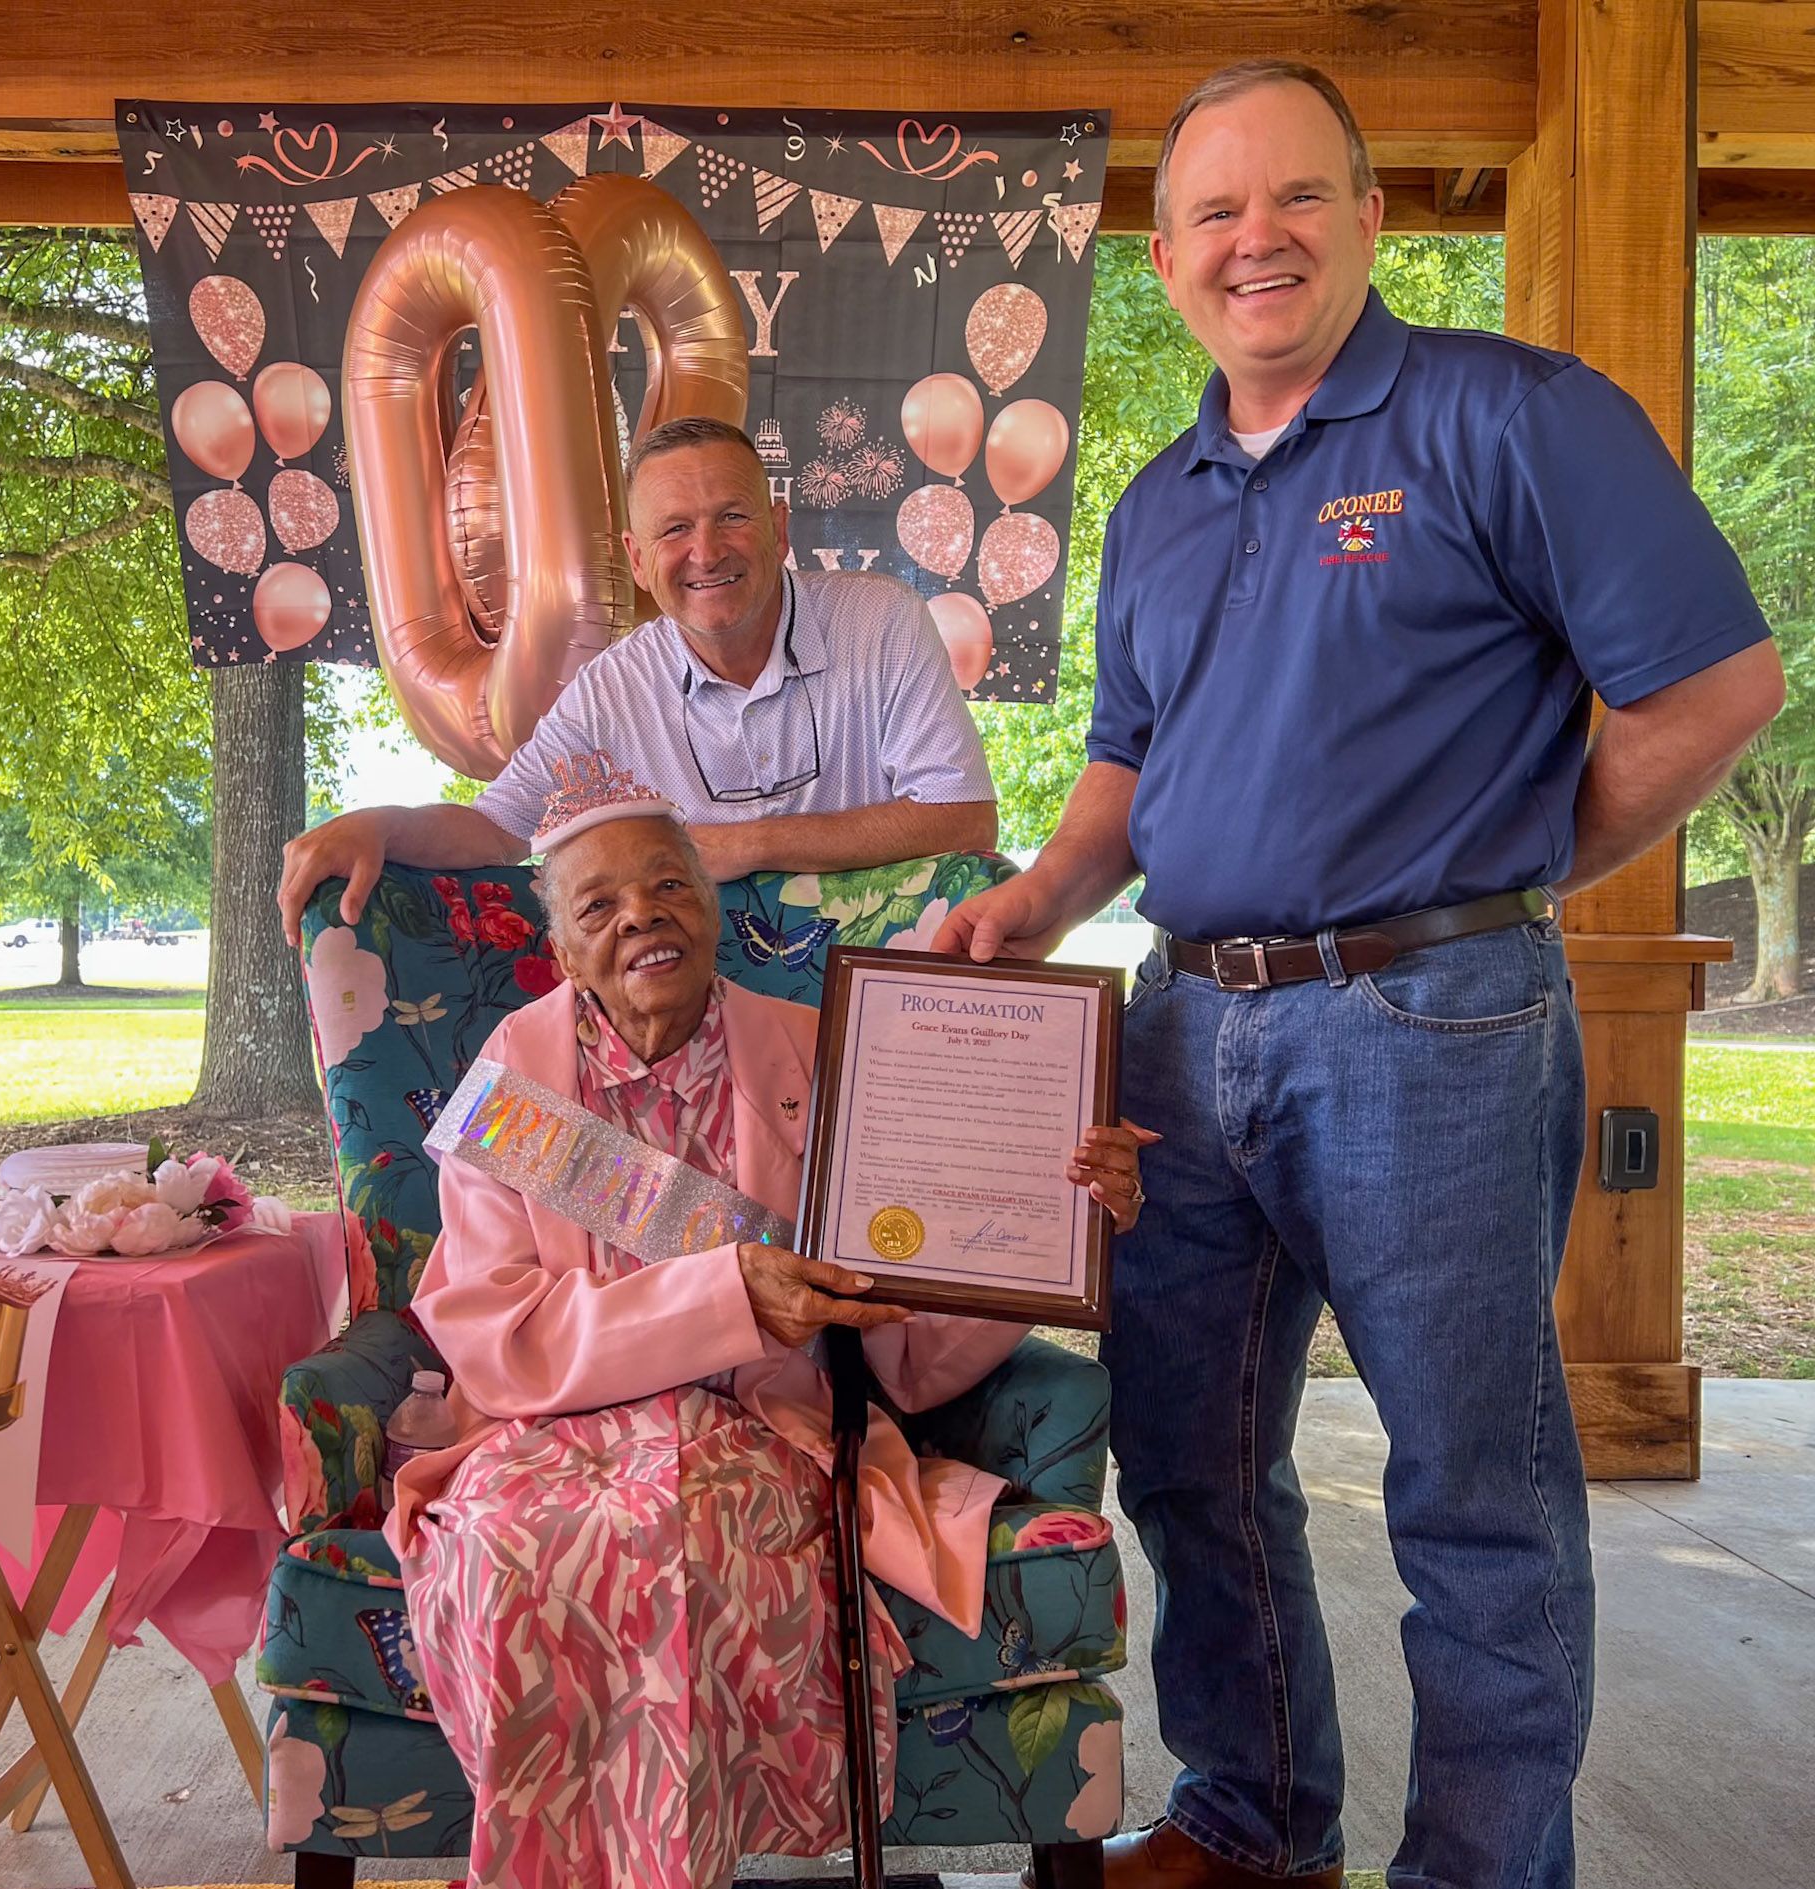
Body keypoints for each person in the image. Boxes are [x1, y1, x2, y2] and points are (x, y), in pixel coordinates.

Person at [943, 60, 1785, 1889]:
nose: (1258, 239)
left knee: (1467, 1491)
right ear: (1163, 259)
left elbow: (1714, 683)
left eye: (1296, 197)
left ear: (1368, 214)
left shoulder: (1513, 415)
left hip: (1431, 1022)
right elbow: (1125, 765)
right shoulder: (1155, 499)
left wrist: (1517, 858)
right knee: (1186, 1455)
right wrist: (1036, 894)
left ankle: (1480, 1866)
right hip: (1182, 1023)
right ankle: (1252, 1824)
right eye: (1215, 213)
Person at [382, 756, 1149, 1889]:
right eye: (598, 903)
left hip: (765, 1431)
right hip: (542, 1436)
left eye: (668, 886)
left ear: (706, 904)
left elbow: (898, 1334)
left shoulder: (825, 1051)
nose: (641, 915)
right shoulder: (513, 1078)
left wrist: (1059, 1216)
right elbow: (495, 1330)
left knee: (693, 1527)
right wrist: (730, 1293)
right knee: (517, 1547)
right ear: (561, 948)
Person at [278, 416, 998, 946]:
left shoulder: (883, 621)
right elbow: (499, 828)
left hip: (870, 988)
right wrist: (381, 824)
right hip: (704, 1018)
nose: (706, 551)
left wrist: (743, 844)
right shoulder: (612, 689)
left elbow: (965, 819)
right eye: (674, 530)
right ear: (637, 557)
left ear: (779, 529)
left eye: (733, 517)